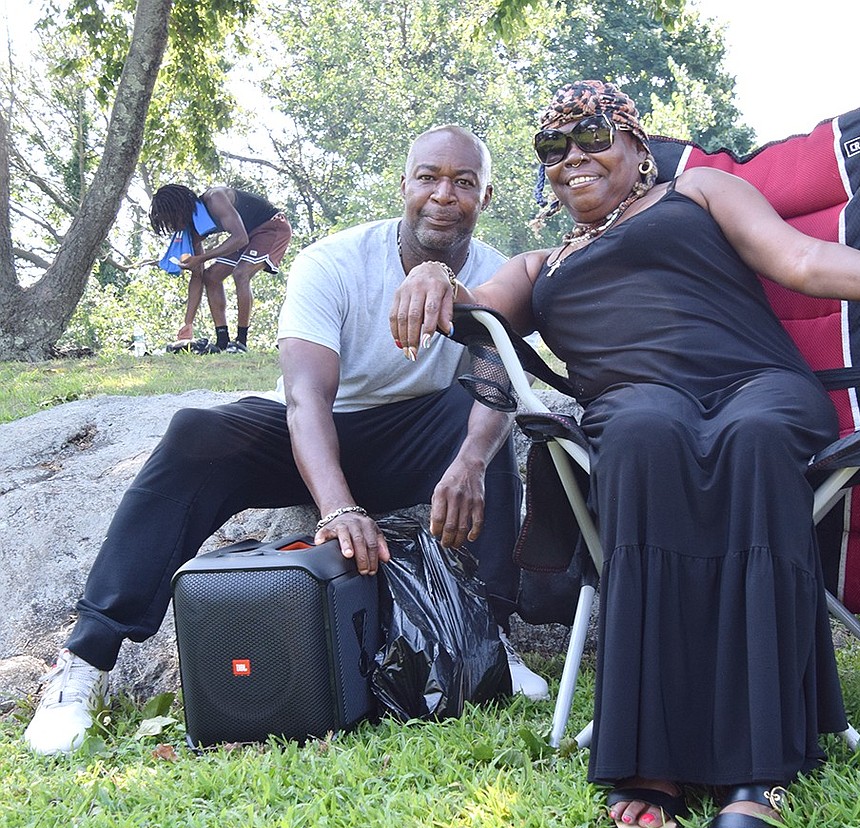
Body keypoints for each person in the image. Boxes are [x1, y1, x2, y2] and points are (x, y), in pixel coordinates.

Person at [391, 81, 860, 828]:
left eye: (592, 135)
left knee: (760, 436)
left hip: (755, 384)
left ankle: (758, 773)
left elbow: (799, 259)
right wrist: (431, 277)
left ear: (637, 145)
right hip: (636, 406)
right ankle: (654, 758)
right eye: (552, 150)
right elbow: (476, 306)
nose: (572, 160)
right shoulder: (540, 264)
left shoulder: (697, 192)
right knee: (640, 434)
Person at [24, 125, 548, 757]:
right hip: (317, 431)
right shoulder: (333, 262)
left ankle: (489, 640)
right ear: (404, 185)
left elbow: (499, 379)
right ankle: (84, 663)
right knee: (198, 433)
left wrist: (471, 459)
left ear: (486, 197)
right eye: (429, 177)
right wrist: (337, 507)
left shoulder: (499, 273)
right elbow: (306, 400)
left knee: (484, 431)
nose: (444, 194)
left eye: (464, 183)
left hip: (415, 433)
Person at [150, 183, 293, 352]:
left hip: (271, 227)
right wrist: (188, 323)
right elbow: (198, 276)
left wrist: (202, 257)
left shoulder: (214, 198)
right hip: (246, 233)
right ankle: (223, 341)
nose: (176, 227)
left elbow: (240, 238)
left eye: (173, 220)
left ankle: (241, 342)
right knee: (211, 276)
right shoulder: (193, 228)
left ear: (179, 209)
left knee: (241, 273)